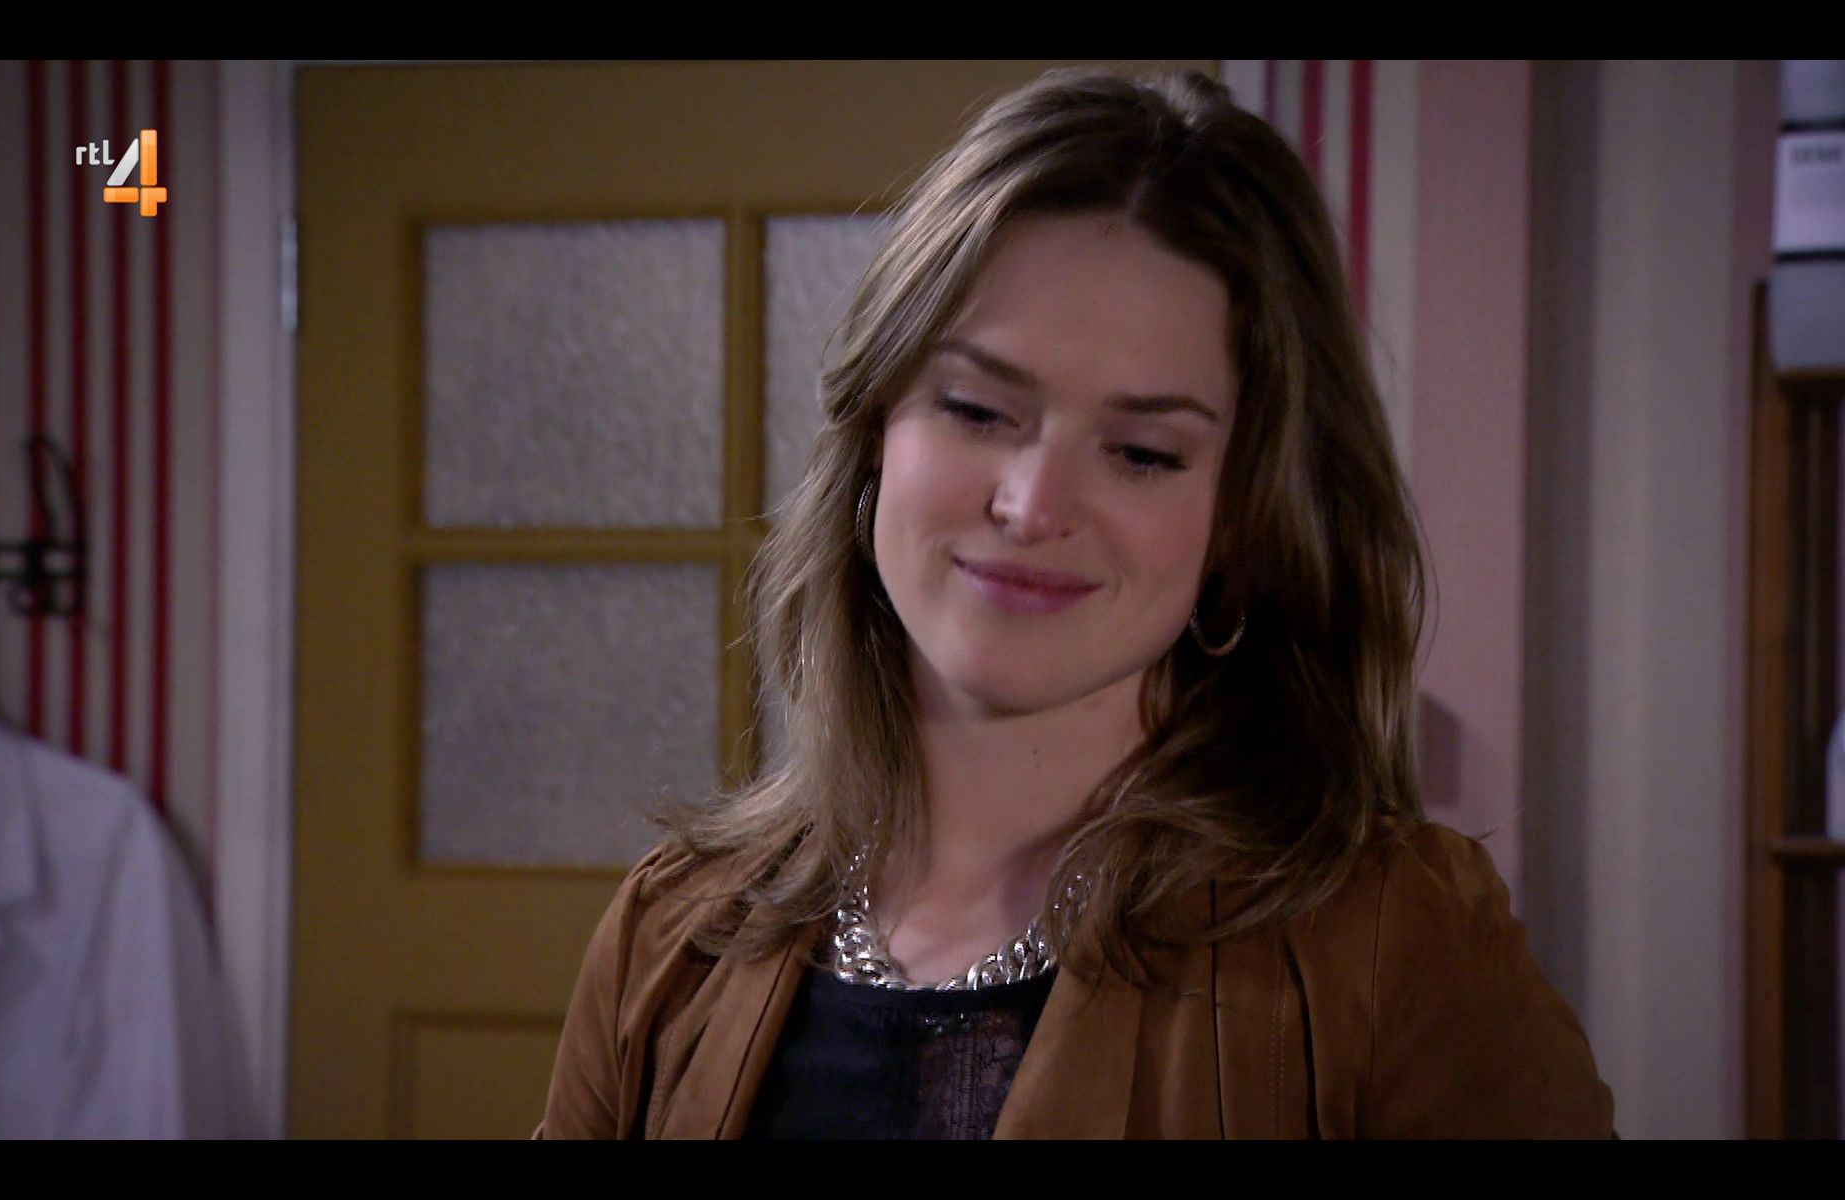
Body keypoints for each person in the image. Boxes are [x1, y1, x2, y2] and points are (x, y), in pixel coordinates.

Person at [536, 65, 1615, 1139]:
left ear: (1242, 520)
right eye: (976, 408)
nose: (1032, 505)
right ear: (875, 434)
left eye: (1143, 452)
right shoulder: (670, 935)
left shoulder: (1390, 945)